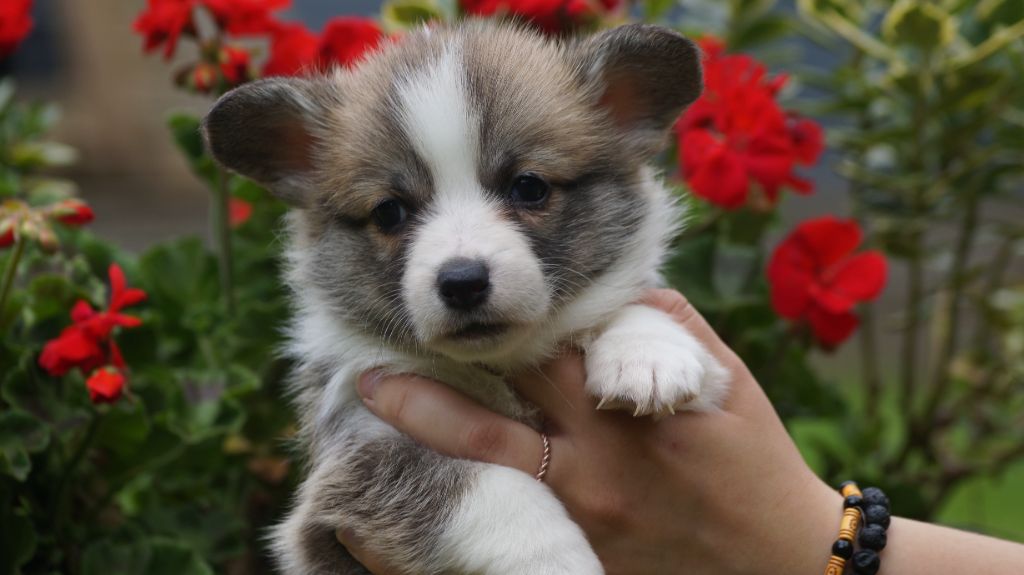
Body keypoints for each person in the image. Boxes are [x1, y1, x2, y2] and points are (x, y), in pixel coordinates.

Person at [336, 289, 1024, 574]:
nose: (463, 260)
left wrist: (796, 536)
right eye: (395, 213)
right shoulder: (358, 370)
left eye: (526, 188)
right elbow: (356, 507)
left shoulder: (634, 316)